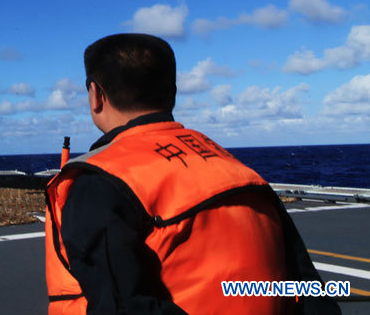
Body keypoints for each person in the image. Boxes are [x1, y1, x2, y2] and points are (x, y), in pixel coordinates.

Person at [45, 33, 339, 315]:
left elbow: (121, 306)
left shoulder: (101, 182)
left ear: (96, 95)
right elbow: (310, 289)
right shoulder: (239, 171)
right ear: (172, 92)